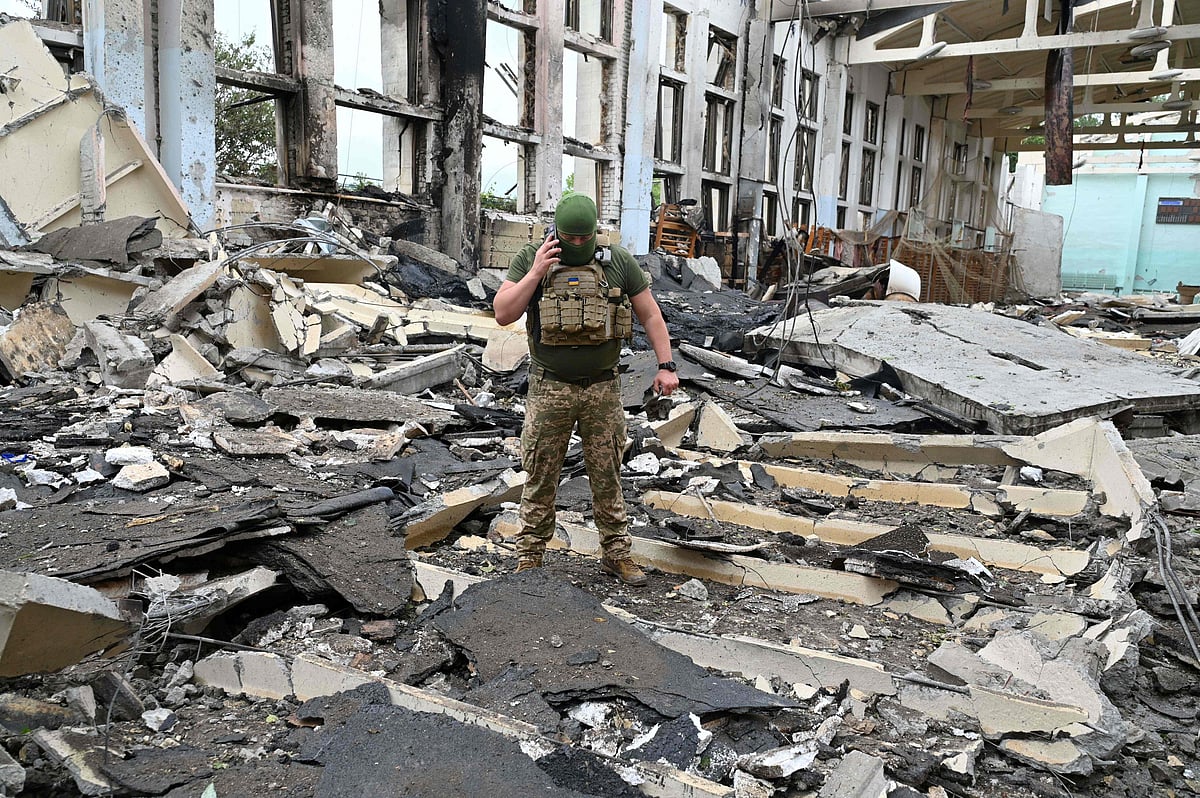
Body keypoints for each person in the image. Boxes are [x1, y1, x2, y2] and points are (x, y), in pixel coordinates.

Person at [492, 195, 679, 586]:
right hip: (550, 387)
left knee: (607, 472)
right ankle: (529, 556)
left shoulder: (618, 262)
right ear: (556, 232)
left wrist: (665, 366)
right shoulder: (533, 256)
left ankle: (616, 554)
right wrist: (536, 272)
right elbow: (503, 312)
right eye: (569, 238)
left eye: (585, 237)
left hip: (602, 388)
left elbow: (650, 314)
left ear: (596, 231)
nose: (577, 245)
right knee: (541, 473)